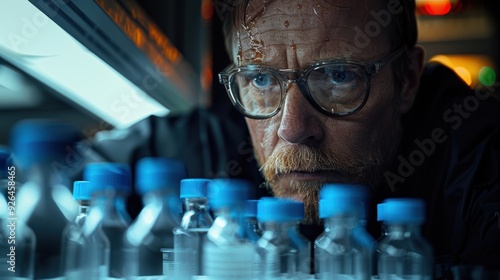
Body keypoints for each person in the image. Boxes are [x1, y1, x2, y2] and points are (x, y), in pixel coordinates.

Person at [78, 0, 500, 276]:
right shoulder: (218, 135)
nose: (293, 129)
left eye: (338, 76)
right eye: (261, 78)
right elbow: (37, 185)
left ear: (405, 80)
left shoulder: (476, 157)